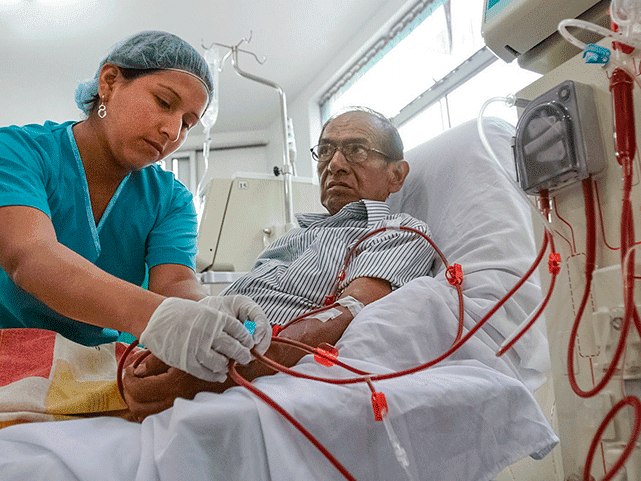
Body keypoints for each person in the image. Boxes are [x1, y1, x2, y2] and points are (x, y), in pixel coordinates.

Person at [0, 31, 271, 381]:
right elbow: (31, 258)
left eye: (188, 123)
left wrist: (208, 310)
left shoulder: (170, 198)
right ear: (109, 82)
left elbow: (174, 283)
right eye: (164, 102)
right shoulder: (12, 152)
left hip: (86, 367)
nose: (172, 131)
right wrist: (157, 317)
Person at [121, 108, 436, 421]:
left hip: (231, 369)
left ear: (396, 175)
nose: (335, 165)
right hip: (203, 352)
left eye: (356, 150)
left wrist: (216, 375)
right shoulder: (293, 238)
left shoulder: (397, 233)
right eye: (325, 151)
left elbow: (349, 312)